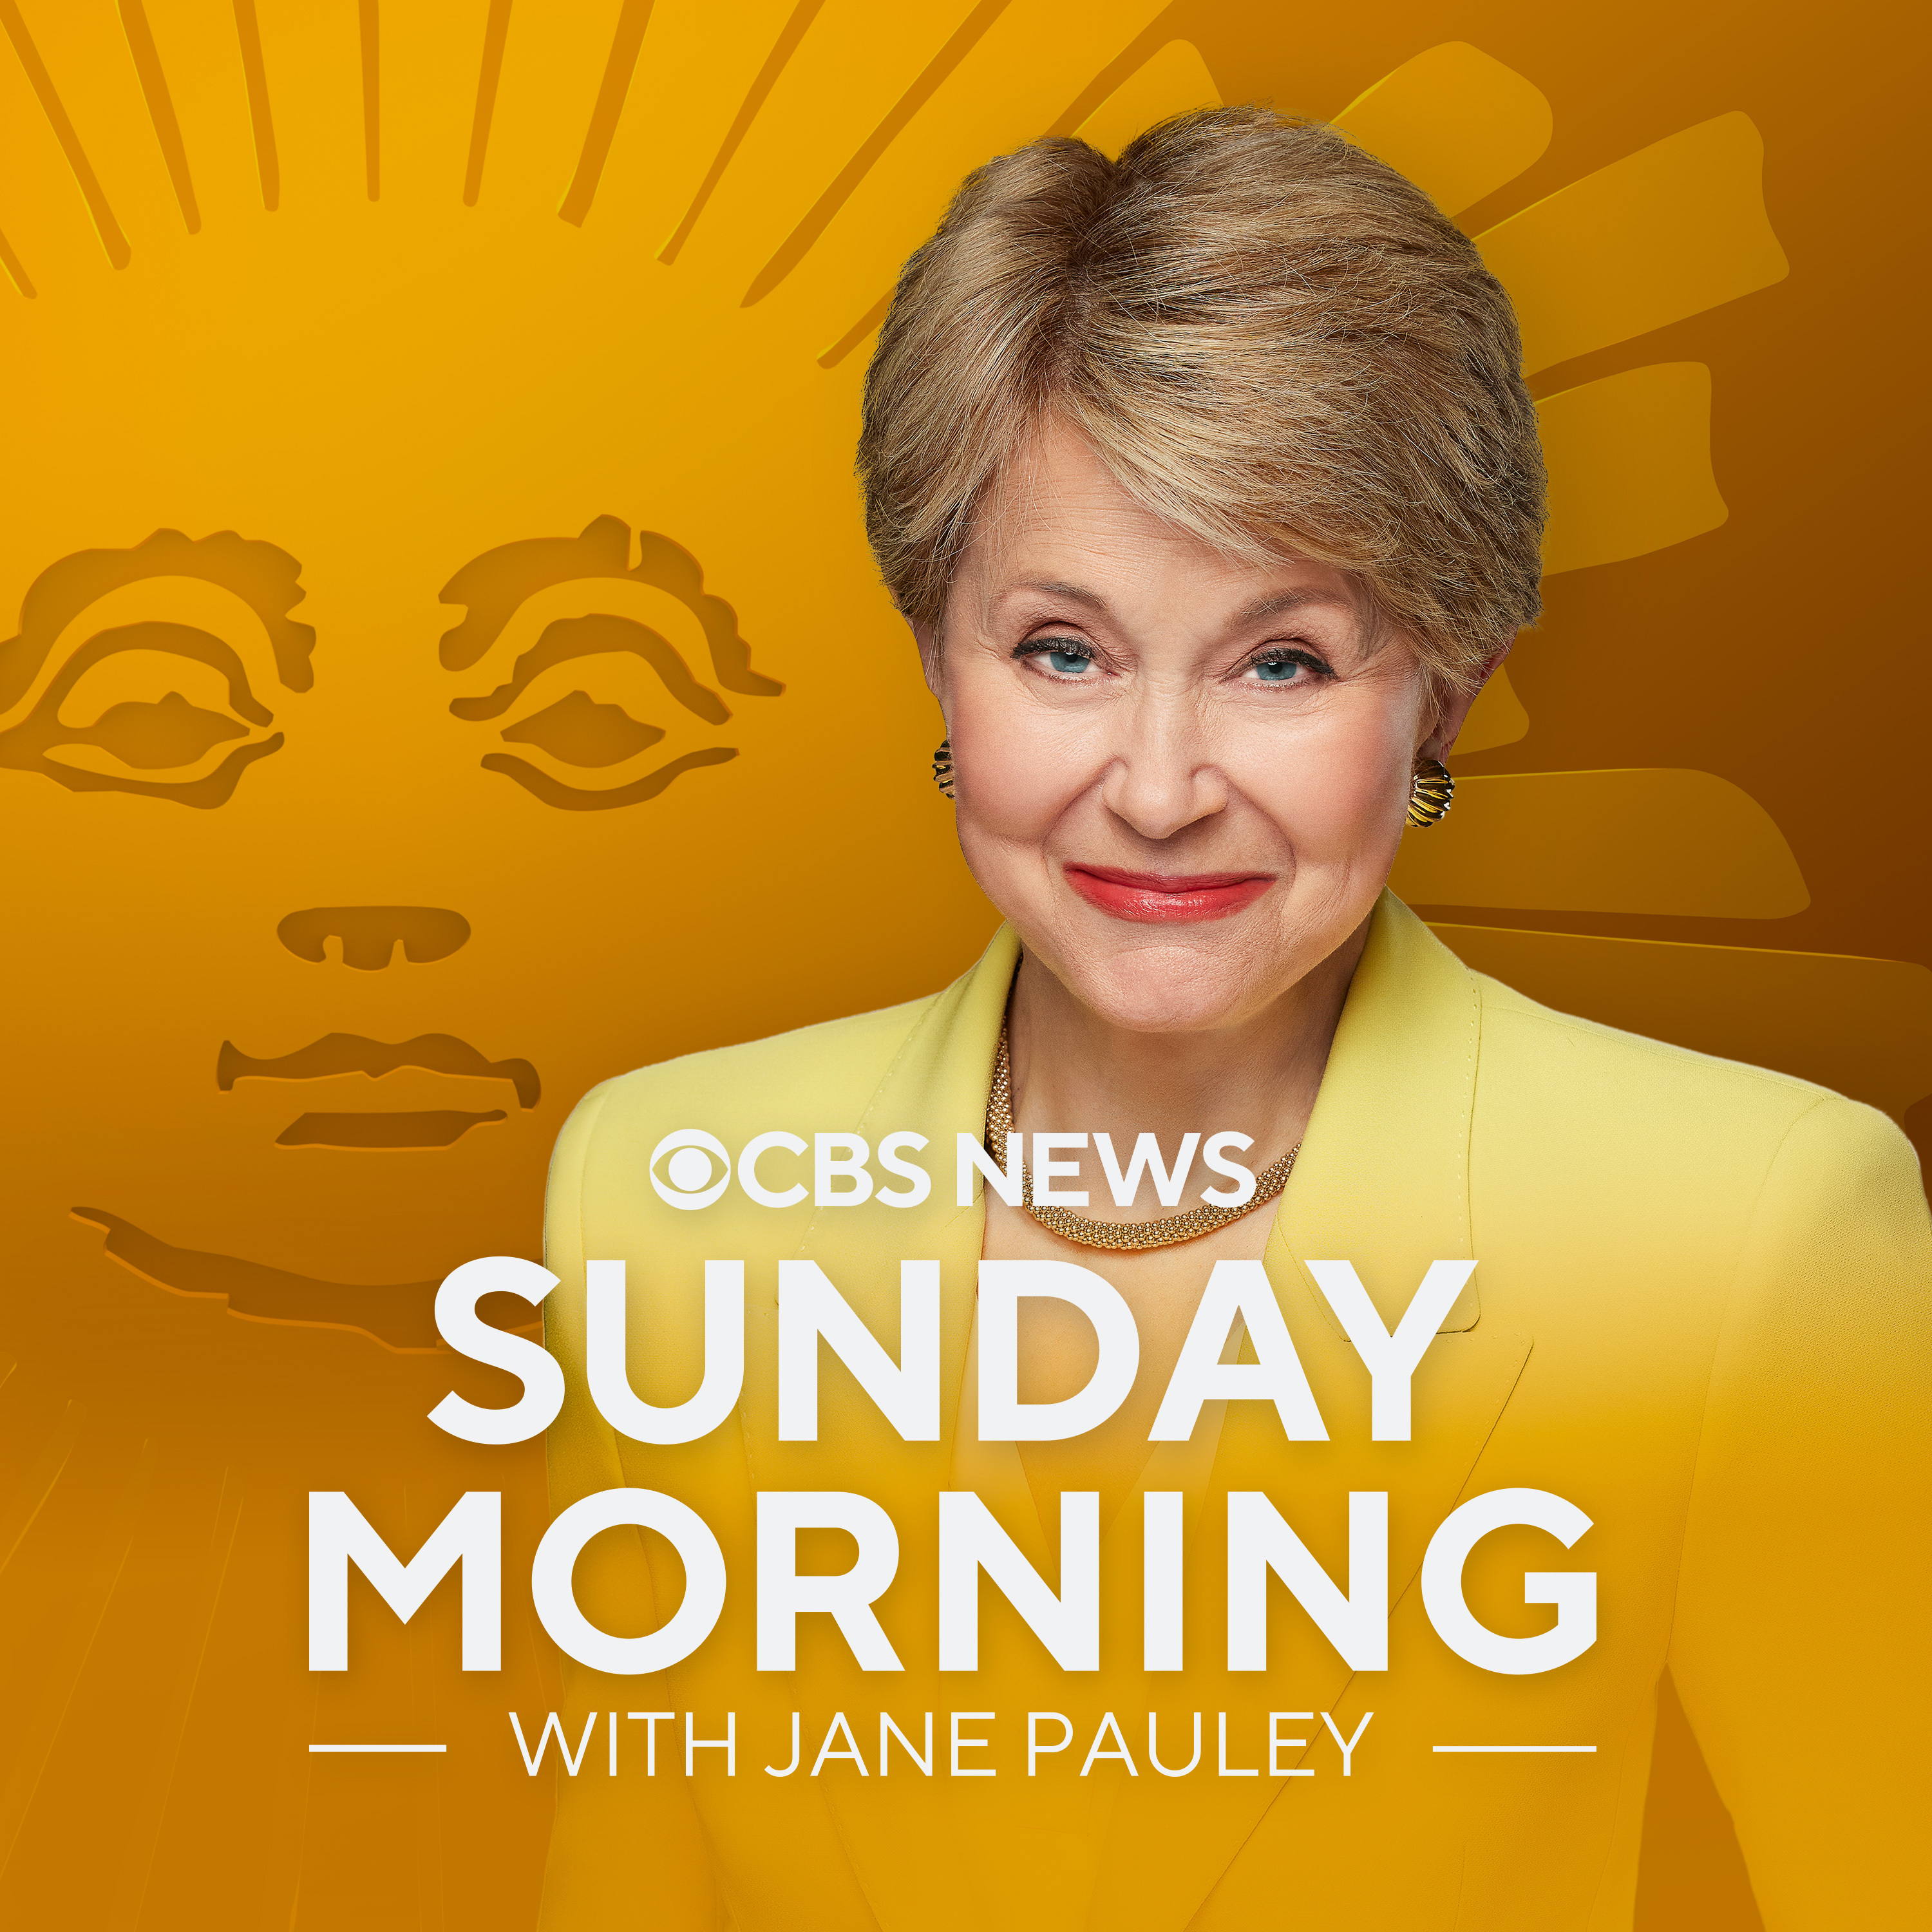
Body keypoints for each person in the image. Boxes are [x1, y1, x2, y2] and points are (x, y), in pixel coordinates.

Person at [537, 108, 1928, 1930]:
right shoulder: (655, 1192)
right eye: (1063, 650)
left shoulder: (1750, 1227)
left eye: (1283, 660)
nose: (1163, 786)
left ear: (1442, 688)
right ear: (934, 650)